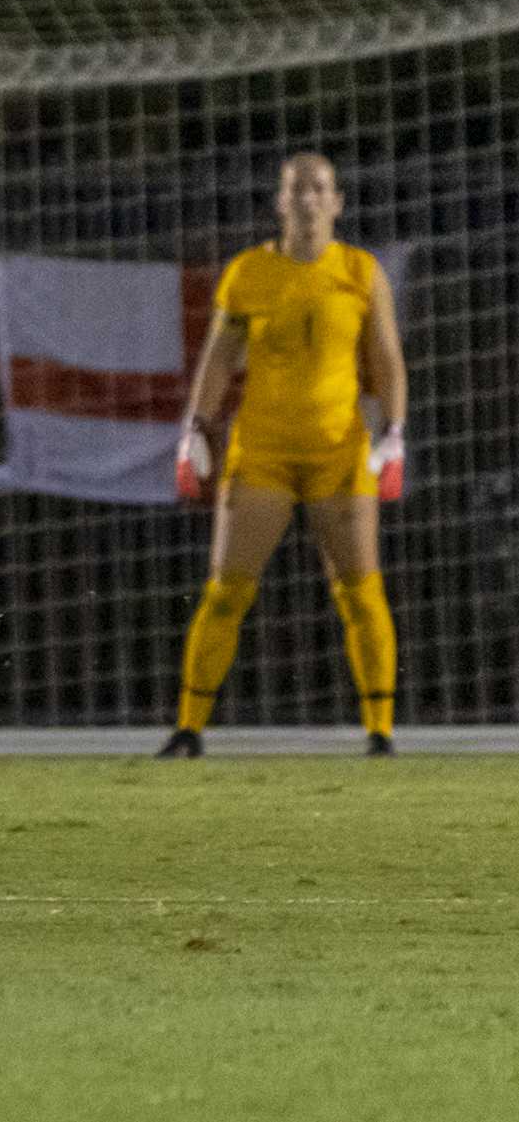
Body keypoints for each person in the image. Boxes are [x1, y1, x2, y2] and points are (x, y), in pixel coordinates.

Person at [161, 153, 408, 758]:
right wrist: (195, 429)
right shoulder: (248, 272)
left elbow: (385, 357)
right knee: (226, 591)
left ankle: (380, 733)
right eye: (296, 188)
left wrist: (394, 431)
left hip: (338, 453)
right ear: (278, 201)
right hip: (263, 452)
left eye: (319, 188)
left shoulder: (359, 270)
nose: (306, 198)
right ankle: (188, 728)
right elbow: (219, 358)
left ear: (338, 202)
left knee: (360, 590)